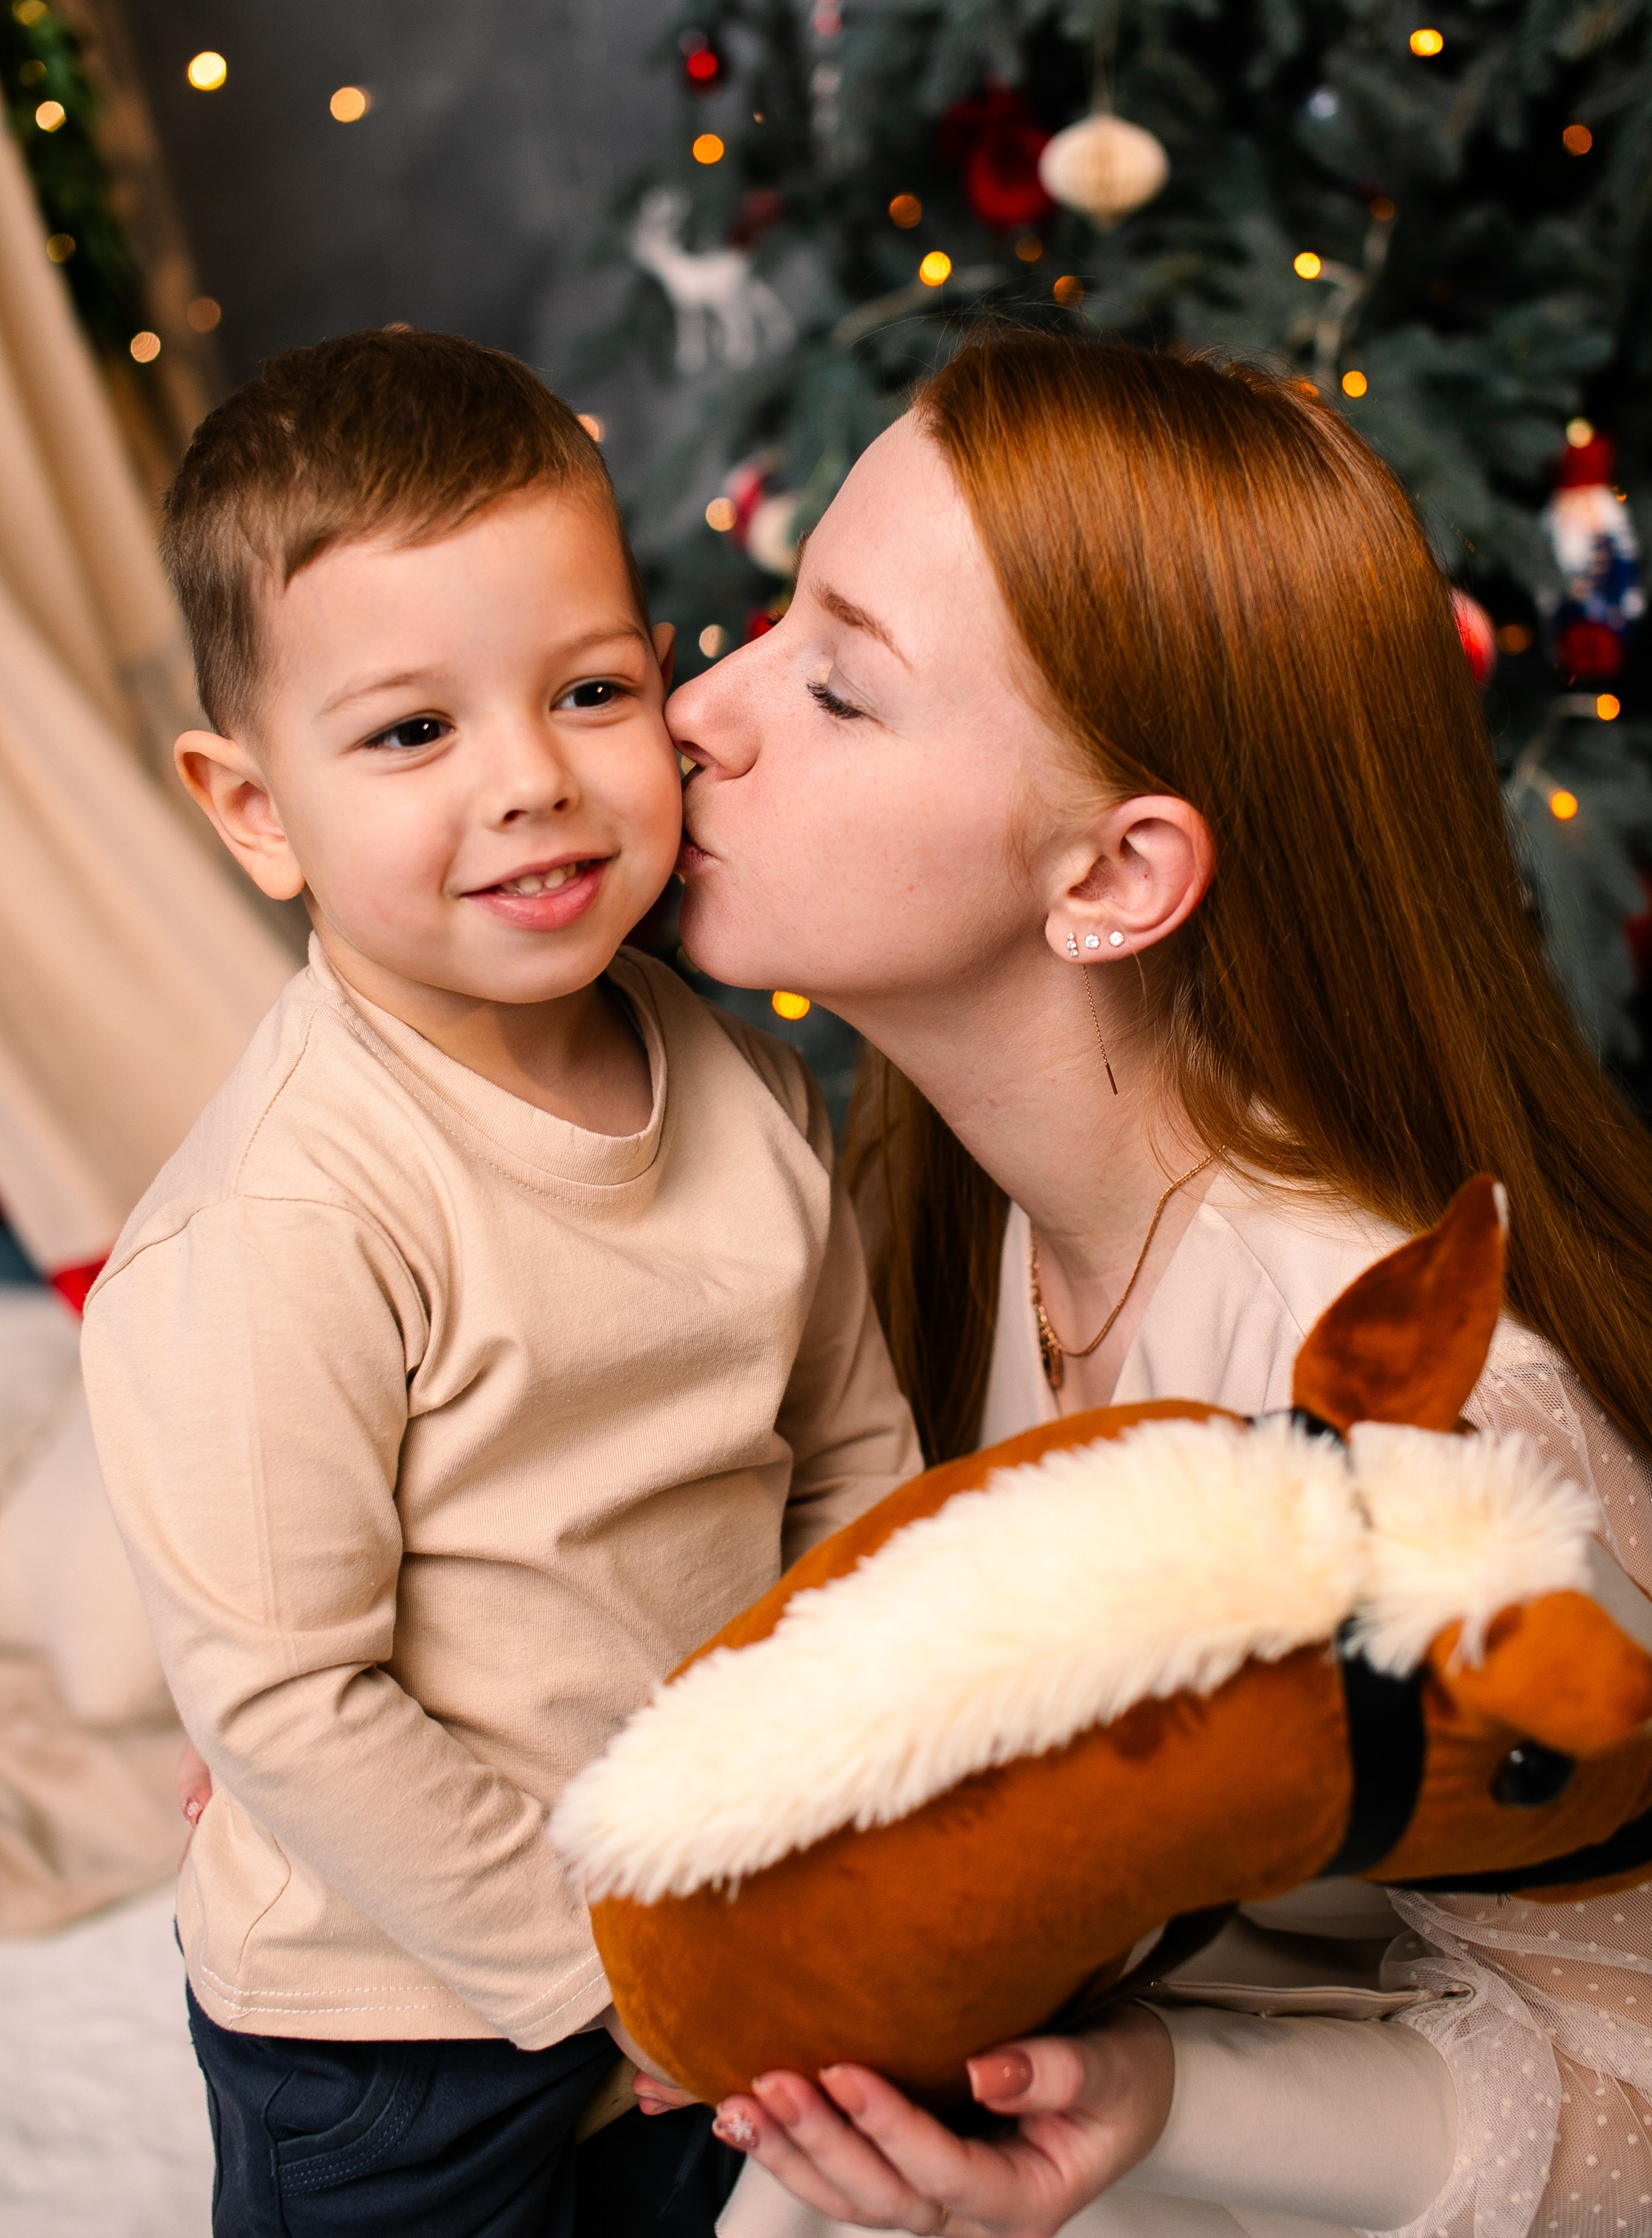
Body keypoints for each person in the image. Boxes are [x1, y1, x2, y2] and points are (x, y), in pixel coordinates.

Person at [648, 329, 1652, 2238]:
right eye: (776, 621)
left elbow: (1637, 2096)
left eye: (842, 689)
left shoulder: (1426, 1401)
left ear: (1116, 878)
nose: (701, 706)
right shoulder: (942, 1192)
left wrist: (1166, 2098)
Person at [80, 331, 920, 2238]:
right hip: (401, 2021)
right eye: (410, 733)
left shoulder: (742, 1075)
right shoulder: (293, 1221)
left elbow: (852, 1470)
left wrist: (852, 1819)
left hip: (716, 1921)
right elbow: (292, 1703)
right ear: (252, 810)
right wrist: (620, 1975)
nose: (534, 781)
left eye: (592, 689)